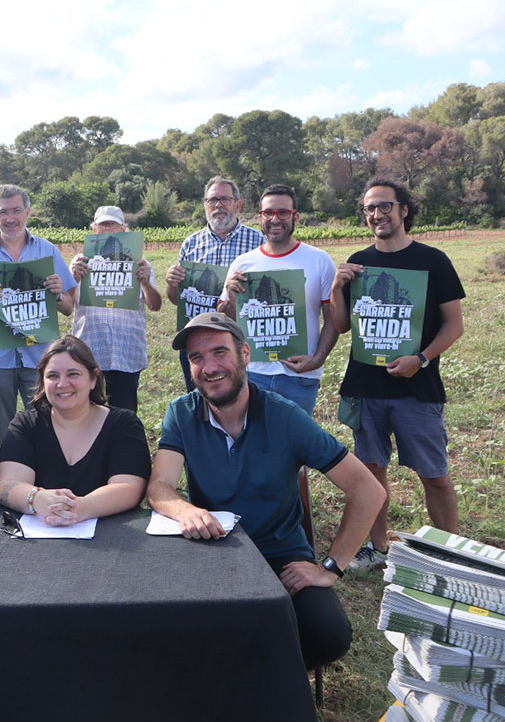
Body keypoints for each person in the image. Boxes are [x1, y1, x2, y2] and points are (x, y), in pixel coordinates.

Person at [146, 312, 384, 671]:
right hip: (215, 550)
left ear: (244, 354)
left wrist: (331, 568)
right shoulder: (182, 413)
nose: (209, 367)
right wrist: (185, 511)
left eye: (219, 352)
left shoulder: (284, 417)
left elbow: (367, 489)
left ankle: (265, 679)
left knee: (328, 634)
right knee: (170, 627)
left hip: (281, 555)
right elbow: (160, 486)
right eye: (197, 358)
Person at [330, 178, 465, 570]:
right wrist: (339, 289)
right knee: (372, 473)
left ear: (404, 210)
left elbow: (453, 325)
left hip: (417, 388)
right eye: (370, 208)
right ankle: (379, 548)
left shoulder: (433, 260)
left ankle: (448, 553)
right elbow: (341, 327)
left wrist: (420, 360)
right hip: (366, 386)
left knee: (434, 474)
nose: (377, 215)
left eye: (385, 206)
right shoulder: (359, 261)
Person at [0, 184, 77, 445]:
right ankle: (6, 479)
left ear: (27, 212)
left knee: (45, 424)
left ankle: (44, 478)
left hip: (38, 356)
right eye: (3, 212)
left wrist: (58, 294)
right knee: (3, 430)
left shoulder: (47, 250)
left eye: (16, 210)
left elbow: (68, 307)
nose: (10, 218)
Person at [0, 335, 149, 524]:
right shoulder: (26, 425)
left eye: (73, 374)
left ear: (93, 378)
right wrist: (37, 499)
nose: (62, 384)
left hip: (111, 542)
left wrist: (82, 507)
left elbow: (129, 486)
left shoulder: (124, 424)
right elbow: (6, 484)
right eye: (52, 376)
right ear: (43, 382)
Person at [219, 184, 339, 416]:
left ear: (296, 216)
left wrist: (317, 360)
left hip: (300, 377)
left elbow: (333, 320)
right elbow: (225, 322)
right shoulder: (243, 263)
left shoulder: (319, 260)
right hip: (253, 374)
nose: (275, 219)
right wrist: (231, 297)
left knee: (296, 447)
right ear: (260, 217)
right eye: (268, 213)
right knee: (254, 443)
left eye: (283, 213)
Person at [165, 176, 263, 390]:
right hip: (198, 337)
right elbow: (177, 300)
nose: (218, 205)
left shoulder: (258, 242)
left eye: (224, 199)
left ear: (237, 204)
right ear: (205, 206)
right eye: (212, 200)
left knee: (242, 396)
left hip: (237, 338)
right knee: (201, 398)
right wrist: (172, 284)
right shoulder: (191, 244)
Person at [67, 205, 162, 412]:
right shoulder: (80, 262)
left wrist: (145, 283)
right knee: (88, 411)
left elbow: (155, 305)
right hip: (91, 347)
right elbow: (66, 305)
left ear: (123, 230)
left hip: (126, 350)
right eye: (103, 225)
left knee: (125, 413)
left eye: (113, 224)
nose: (108, 229)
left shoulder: (140, 264)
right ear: (94, 230)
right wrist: (73, 278)